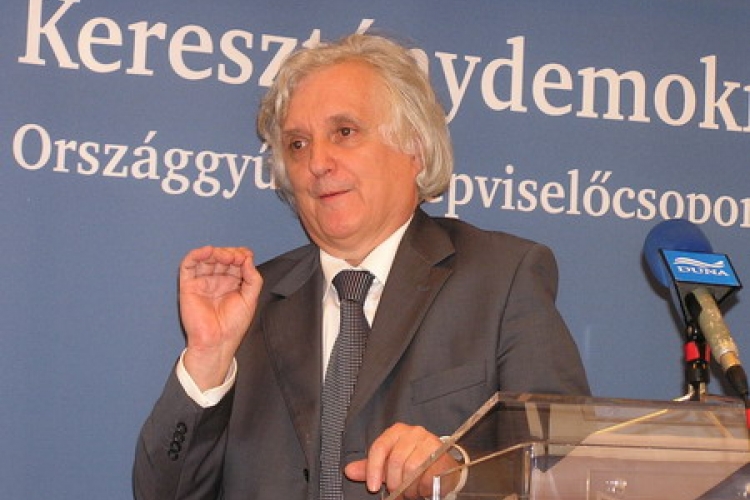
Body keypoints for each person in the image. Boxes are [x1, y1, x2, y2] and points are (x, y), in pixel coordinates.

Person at [133, 33, 590, 500]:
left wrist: (457, 475)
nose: (317, 162)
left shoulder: (501, 279)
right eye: (297, 144)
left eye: (344, 132)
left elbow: (569, 473)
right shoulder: (248, 307)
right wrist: (209, 358)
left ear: (415, 148)